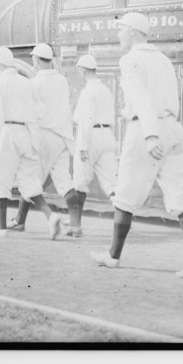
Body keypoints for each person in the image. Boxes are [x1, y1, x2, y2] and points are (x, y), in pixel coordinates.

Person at [90, 12, 183, 278]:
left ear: (132, 31)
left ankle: (113, 256)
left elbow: (141, 98)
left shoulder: (130, 59)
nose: (118, 35)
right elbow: (168, 99)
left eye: (121, 30)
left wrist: (150, 133)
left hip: (145, 130)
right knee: (179, 196)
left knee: (125, 195)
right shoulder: (163, 59)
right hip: (172, 129)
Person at [0, 47, 62, 239]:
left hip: (8, 133)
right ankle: (51, 216)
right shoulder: (27, 83)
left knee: (1, 178)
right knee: (28, 181)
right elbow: (36, 113)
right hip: (26, 134)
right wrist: (34, 143)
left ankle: (1, 228)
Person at [7, 43, 77, 235]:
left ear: (36, 60)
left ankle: (34, 219)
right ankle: (76, 225)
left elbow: (31, 112)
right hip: (62, 137)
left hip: (45, 136)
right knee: (64, 181)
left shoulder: (34, 83)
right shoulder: (62, 80)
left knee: (30, 178)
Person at [70, 55, 117, 236]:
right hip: (107, 136)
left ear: (83, 70)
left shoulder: (88, 92)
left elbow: (85, 120)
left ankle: (75, 225)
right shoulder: (105, 89)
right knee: (111, 183)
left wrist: (82, 146)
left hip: (92, 137)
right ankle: (123, 218)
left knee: (80, 180)